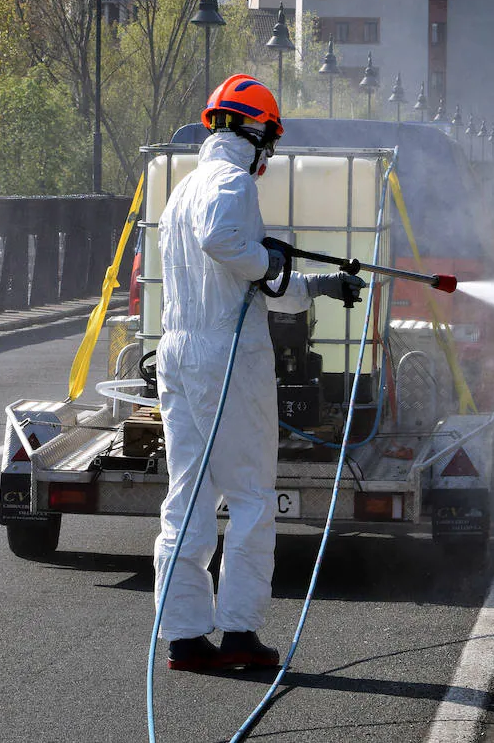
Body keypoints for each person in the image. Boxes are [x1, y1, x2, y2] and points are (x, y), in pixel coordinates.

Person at [152, 74, 363, 672]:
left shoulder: (184, 188)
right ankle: (240, 633)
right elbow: (229, 246)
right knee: (248, 496)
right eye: (270, 137)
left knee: (188, 496)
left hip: (180, 351)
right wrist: (266, 258)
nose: (269, 151)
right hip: (227, 356)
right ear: (258, 132)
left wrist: (312, 282)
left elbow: (250, 283)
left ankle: (185, 637)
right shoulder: (231, 181)